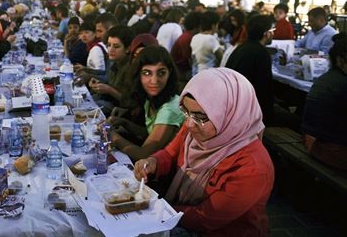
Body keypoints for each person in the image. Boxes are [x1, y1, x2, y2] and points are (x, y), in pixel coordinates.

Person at [134, 68, 274, 237]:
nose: (190, 124)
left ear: (231, 115)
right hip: (181, 215)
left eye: (201, 117)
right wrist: (153, 162)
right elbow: (170, 153)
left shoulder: (252, 168)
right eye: (186, 112)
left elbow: (205, 218)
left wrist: (156, 210)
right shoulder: (194, 128)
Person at [108, 46, 185, 161]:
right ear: (138, 74)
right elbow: (149, 133)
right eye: (147, 73)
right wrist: (124, 123)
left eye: (161, 73)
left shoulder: (170, 108)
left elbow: (144, 154)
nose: (154, 81)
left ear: (170, 73)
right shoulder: (151, 98)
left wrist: (110, 134)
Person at [301, 33, 347, 171]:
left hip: (314, 142)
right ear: (340, 60)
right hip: (329, 149)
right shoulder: (341, 83)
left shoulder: (328, 77)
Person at [225, 15, 275, 124]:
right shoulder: (261, 53)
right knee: (297, 120)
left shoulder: (241, 47)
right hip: (248, 113)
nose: (273, 34)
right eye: (272, 30)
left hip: (232, 105)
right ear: (266, 33)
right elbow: (264, 89)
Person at [191, 11, 224, 75]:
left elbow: (192, 58)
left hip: (198, 71)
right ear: (213, 26)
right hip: (210, 72)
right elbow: (221, 56)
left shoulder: (195, 37)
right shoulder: (210, 39)